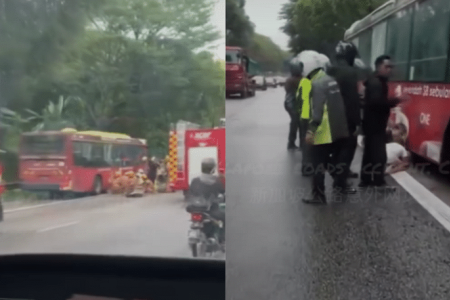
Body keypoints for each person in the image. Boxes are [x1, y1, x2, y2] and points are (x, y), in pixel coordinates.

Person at [300, 52, 356, 205]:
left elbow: (317, 112)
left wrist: (311, 130)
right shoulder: (331, 80)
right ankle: (341, 182)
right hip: (338, 128)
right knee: (326, 160)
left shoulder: (317, 84)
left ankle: (318, 196)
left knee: (316, 163)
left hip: (323, 131)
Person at [359, 55, 409, 187]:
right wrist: (396, 100)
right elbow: (377, 103)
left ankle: (365, 180)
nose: (389, 70)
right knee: (379, 155)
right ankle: (378, 182)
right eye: (386, 67)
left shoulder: (375, 80)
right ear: (379, 67)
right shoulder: (376, 83)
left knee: (370, 153)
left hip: (371, 124)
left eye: (391, 67)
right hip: (375, 125)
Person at [328, 41, 367, 180]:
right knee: (348, 148)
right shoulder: (350, 73)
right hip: (346, 118)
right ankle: (340, 182)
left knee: (335, 148)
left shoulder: (329, 70)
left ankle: (335, 171)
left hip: (330, 117)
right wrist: (357, 122)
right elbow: (352, 101)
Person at [187, 158, 225, 242]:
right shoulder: (216, 181)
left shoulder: (195, 180)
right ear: (213, 168)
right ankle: (221, 239)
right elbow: (222, 193)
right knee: (224, 217)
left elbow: (190, 193)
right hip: (209, 209)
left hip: (194, 208)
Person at [296, 60, 313, 175]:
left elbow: (298, 99)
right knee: (311, 141)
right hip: (311, 116)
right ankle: (310, 165)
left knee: (305, 140)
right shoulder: (314, 83)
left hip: (303, 116)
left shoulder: (303, 82)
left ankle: (305, 165)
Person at [284, 58, 303, 150]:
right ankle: (293, 143)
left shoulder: (290, 80)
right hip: (292, 104)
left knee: (296, 123)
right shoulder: (296, 80)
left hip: (291, 104)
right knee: (298, 123)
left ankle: (294, 143)